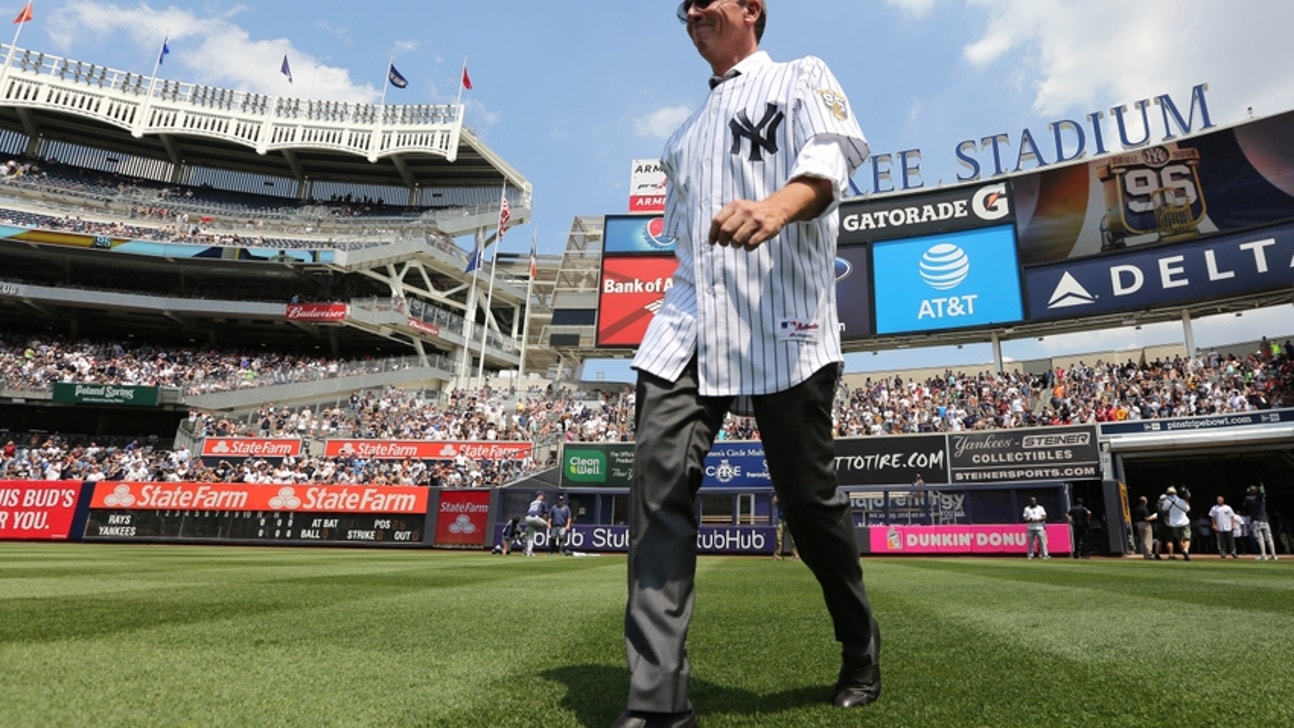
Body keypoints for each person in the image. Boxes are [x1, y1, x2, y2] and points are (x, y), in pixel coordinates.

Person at [616, 2, 877, 725]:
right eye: (684, 5)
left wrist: (779, 204)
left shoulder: (800, 76)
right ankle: (657, 704)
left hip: (783, 326)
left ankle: (860, 644)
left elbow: (834, 152)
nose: (693, 10)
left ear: (753, 9)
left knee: (808, 505)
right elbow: (684, 245)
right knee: (657, 489)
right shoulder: (681, 137)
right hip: (687, 330)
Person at [1242, 484, 1278, 561]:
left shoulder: (1248, 498)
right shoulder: (1262, 499)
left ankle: (1264, 555)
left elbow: (1244, 505)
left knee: (1260, 538)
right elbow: (1261, 495)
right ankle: (1274, 555)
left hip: (1256, 520)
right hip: (1265, 520)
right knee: (1269, 538)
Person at [1160, 486, 1192, 561]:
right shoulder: (1181, 500)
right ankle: (1186, 550)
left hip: (1174, 523)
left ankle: (1184, 552)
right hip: (1184, 522)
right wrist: (1187, 501)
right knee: (1187, 538)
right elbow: (1187, 509)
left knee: (1179, 539)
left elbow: (1164, 509)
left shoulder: (1167, 502)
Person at [771, 494, 799, 560]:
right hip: (781, 519)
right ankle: (777, 554)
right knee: (778, 538)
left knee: (793, 539)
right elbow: (773, 502)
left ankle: (795, 555)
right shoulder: (779, 495)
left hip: (790, 519)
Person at [523, 491, 549, 557]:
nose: (543, 496)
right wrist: (545, 521)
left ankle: (529, 552)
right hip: (535, 518)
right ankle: (527, 531)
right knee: (547, 525)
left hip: (527, 518)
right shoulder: (542, 503)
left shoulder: (532, 503)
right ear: (539, 496)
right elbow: (545, 514)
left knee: (530, 537)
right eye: (542, 495)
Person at [1132, 495, 1155, 559]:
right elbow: (1146, 518)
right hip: (1145, 524)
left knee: (1143, 539)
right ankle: (1149, 553)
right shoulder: (1144, 508)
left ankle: (1145, 554)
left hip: (1139, 524)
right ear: (1145, 501)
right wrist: (1154, 517)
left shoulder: (1137, 508)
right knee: (1148, 539)